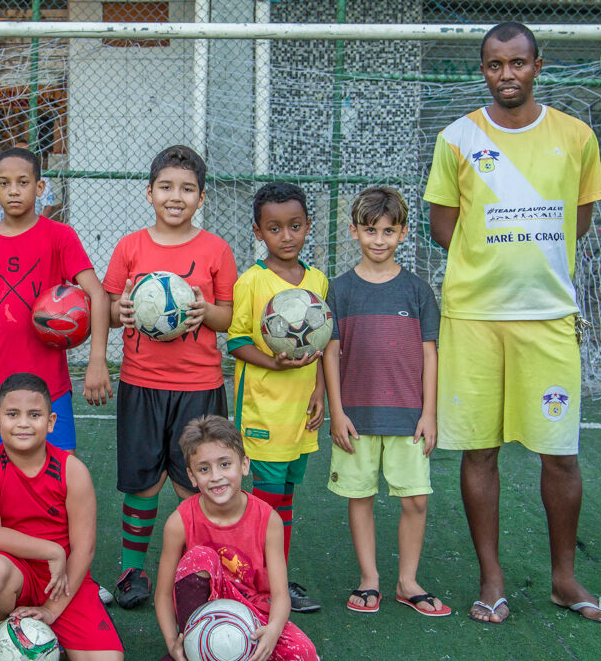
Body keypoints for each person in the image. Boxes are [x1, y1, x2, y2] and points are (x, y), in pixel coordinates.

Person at [424, 22, 601, 625]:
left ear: (539, 65)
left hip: (549, 318)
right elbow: (440, 225)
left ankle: (565, 578)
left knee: (560, 455)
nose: (506, 74)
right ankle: (492, 578)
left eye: (517, 62)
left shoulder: (576, 135)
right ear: (482, 70)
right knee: (479, 452)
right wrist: (491, 260)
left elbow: (579, 222)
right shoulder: (457, 137)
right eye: (493, 64)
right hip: (475, 318)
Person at [104, 145, 238, 609]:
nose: (175, 196)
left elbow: (227, 318)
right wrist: (118, 314)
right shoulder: (130, 247)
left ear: (201, 198)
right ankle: (131, 570)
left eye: (187, 189)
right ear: (149, 193)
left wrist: (206, 313)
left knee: (194, 481)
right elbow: (108, 305)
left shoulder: (216, 249)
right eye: (166, 187)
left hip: (199, 386)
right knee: (141, 483)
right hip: (141, 382)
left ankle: (199, 569)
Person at [322, 187, 449, 617]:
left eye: (389, 231)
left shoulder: (417, 291)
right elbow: (330, 353)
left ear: (404, 233)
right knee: (361, 496)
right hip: (356, 417)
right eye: (370, 231)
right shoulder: (339, 290)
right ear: (354, 231)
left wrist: (429, 413)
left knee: (415, 499)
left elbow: (430, 353)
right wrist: (337, 412)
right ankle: (369, 579)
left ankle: (408, 581)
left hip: (408, 416)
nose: (379, 240)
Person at [0, 373, 123, 661]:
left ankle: (49, 629)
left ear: (51, 422)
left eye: (34, 415)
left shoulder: (71, 469)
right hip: (15, 570)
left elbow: (84, 549)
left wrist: (52, 610)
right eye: (13, 415)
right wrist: (50, 550)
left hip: (62, 579)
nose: (23, 424)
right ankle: (2, 639)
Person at [0, 146, 112, 453]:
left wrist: (97, 360)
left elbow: (97, 294)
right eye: (4, 183)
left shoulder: (59, 236)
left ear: (40, 187)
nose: (13, 191)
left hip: (49, 382)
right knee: (2, 473)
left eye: (23, 182)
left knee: (59, 468)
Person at [152, 415, 319, 661]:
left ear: (244, 465)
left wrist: (273, 630)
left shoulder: (268, 520)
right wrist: (172, 643)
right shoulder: (180, 521)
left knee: (303, 657)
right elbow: (162, 594)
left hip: (250, 607)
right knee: (200, 557)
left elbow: (280, 593)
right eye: (204, 469)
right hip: (202, 604)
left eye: (225, 464)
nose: (216, 477)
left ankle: (245, 647)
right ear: (192, 477)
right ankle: (189, 646)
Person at [226, 182, 326, 614]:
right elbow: (236, 342)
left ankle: (275, 575)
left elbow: (322, 343)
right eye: (275, 228)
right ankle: (260, 584)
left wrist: (319, 389)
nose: (286, 236)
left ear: (308, 227)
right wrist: (273, 364)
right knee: (265, 501)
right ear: (258, 232)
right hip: (262, 410)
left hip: (299, 413)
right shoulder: (251, 281)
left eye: (295, 226)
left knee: (287, 497)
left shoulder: (318, 280)